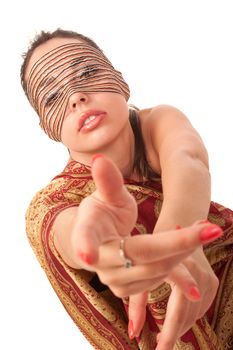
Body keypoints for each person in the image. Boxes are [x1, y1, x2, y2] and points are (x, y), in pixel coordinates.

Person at [21, 28, 233, 350]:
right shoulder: (52, 204)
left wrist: (173, 240)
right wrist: (89, 242)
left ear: (120, 81)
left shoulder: (158, 123)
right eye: (52, 97)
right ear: (46, 127)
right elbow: (65, 231)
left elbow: (187, 160)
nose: (76, 96)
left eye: (87, 72)